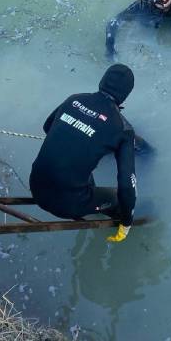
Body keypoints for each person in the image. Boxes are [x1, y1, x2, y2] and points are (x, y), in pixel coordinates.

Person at [29, 64, 140, 242]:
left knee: (80, 167)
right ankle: (115, 218)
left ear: (102, 81)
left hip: (35, 186)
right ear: (126, 94)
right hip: (67, 205)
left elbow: (47, 127)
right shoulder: (123, 129)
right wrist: (127, 223)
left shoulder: (74, 100)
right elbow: (127, 186)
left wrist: (81, 138)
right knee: (120, 199)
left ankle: (89, 198)